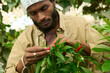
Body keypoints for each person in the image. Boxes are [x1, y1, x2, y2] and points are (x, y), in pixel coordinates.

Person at [5, 0, 105, 73]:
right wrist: (24, 62)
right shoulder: (25, 37)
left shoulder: (79, 24)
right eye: (33, 13)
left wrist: (77, 45)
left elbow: (106, 52)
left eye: (44, 8)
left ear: (53, 2)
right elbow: (9, 70)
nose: (41, 17)